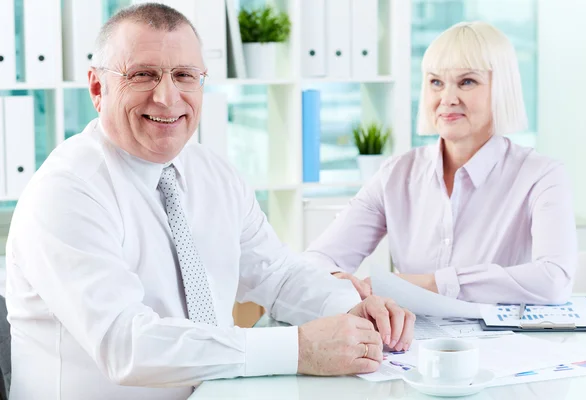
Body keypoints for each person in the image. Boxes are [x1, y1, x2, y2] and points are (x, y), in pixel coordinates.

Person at [4, 4, 415, 400]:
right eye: (143, 75)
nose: (167, 97)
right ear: (98, 87)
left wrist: (355, 310)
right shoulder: (66, 191)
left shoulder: (213, 173)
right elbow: (126, 344)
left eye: (184, 75)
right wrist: (298, 347)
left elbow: (279, 275)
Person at [305, 21, 577, 305]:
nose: (447, 99)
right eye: (436, 82)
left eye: (467, 81)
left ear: (501, 88)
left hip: (506, 344)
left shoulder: (541, 175)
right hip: (409, 342)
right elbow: (317, 260)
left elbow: (554, 280)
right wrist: (338, 280)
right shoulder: (397, 174)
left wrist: (426, 284)